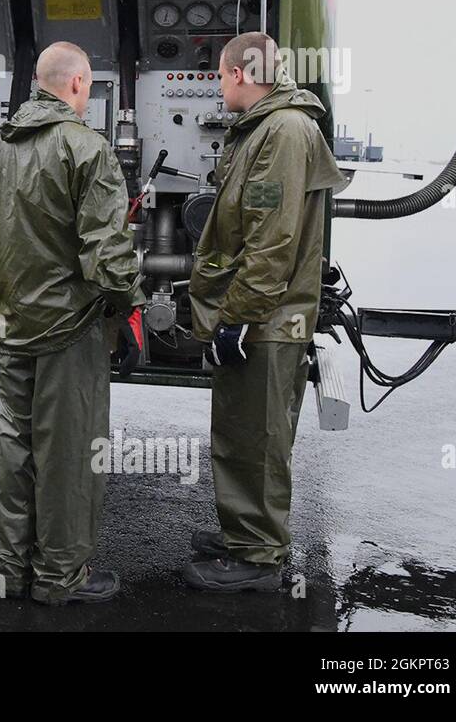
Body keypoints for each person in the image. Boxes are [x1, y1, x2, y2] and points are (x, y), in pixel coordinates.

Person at [0, 41, 145, 605]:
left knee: (13, 447)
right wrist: (128, 308)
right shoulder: (86, 148)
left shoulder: (1, 145)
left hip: (12, 325)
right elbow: (109, 256)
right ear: (75, 85)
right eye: (89, 85)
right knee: (68, 454)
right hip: (69, 331)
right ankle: (58, 578)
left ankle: (9, 570)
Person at [185, 32, 344, 590]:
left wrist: (238, 317)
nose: (218, 84)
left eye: (220, 75)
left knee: (258, 435)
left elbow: (271, 243)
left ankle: (257, 559)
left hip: (268, 319)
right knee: (238, 430)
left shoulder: (283, 130)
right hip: (261, 315)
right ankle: (244, 534)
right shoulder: (267, 127)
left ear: (238, 74)